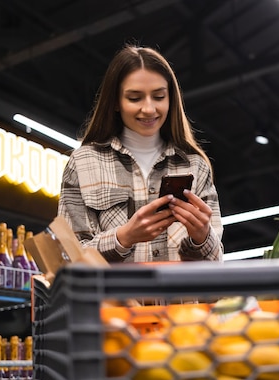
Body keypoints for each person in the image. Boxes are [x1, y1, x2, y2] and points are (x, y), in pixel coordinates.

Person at [58, 44, 223, 263]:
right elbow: (67, 256)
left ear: (170, 99)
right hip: (114, 298)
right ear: (116, 102)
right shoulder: (83, 163)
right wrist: (123, 238)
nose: (148, 108)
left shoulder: (195, 166)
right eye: (135, 98)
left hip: (180, 298)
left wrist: (201, 238)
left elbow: (216, 263)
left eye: (159, 96)